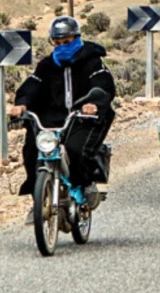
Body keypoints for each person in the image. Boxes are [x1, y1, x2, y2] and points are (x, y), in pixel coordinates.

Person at [9, 16, 116, 205]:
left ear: (76, 38)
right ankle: (39, 201)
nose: (62, 46)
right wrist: (22, 103)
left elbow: (103, 84)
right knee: (32, 150)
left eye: (66, 42)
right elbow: (32, 85)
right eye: (57, 43)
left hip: (83, 117)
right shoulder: (47, 65)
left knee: (76, 150)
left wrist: (94, 104)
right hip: (52, 118)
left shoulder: (92, 62)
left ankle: (83, 185)